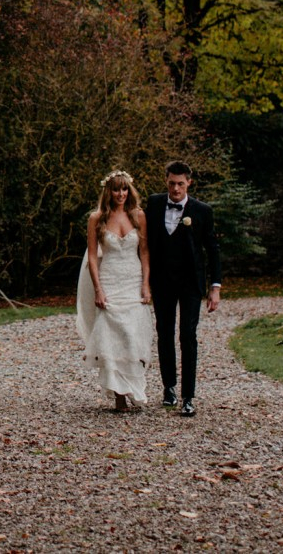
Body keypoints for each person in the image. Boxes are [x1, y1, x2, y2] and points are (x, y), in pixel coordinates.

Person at [144, 160, 222, 418]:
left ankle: (189, 396)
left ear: (189, 182)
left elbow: (212, 249)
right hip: (162, 281)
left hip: (191, 282)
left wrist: (215, 287)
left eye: (180, 184)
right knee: (164, 333)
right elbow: (144, 242)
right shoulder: (154, 204)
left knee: (188, 335)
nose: (175, 189)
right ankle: (169, 388)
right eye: (171, 183)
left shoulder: (202, 210)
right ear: (165, 182)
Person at [76, 169, 153, 412]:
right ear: (108, 191)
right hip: (109, 279)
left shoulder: (138, 215)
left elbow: (144, 252)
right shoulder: (96, 218)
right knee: (111, 336)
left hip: (132, 279)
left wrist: (145, 284)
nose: (121, 194)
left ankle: (133, 387)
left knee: (132, 334)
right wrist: (98, 289)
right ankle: (119, 395)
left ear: (129, 190)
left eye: (124, 189)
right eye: (116, 189)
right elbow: (92, 256)